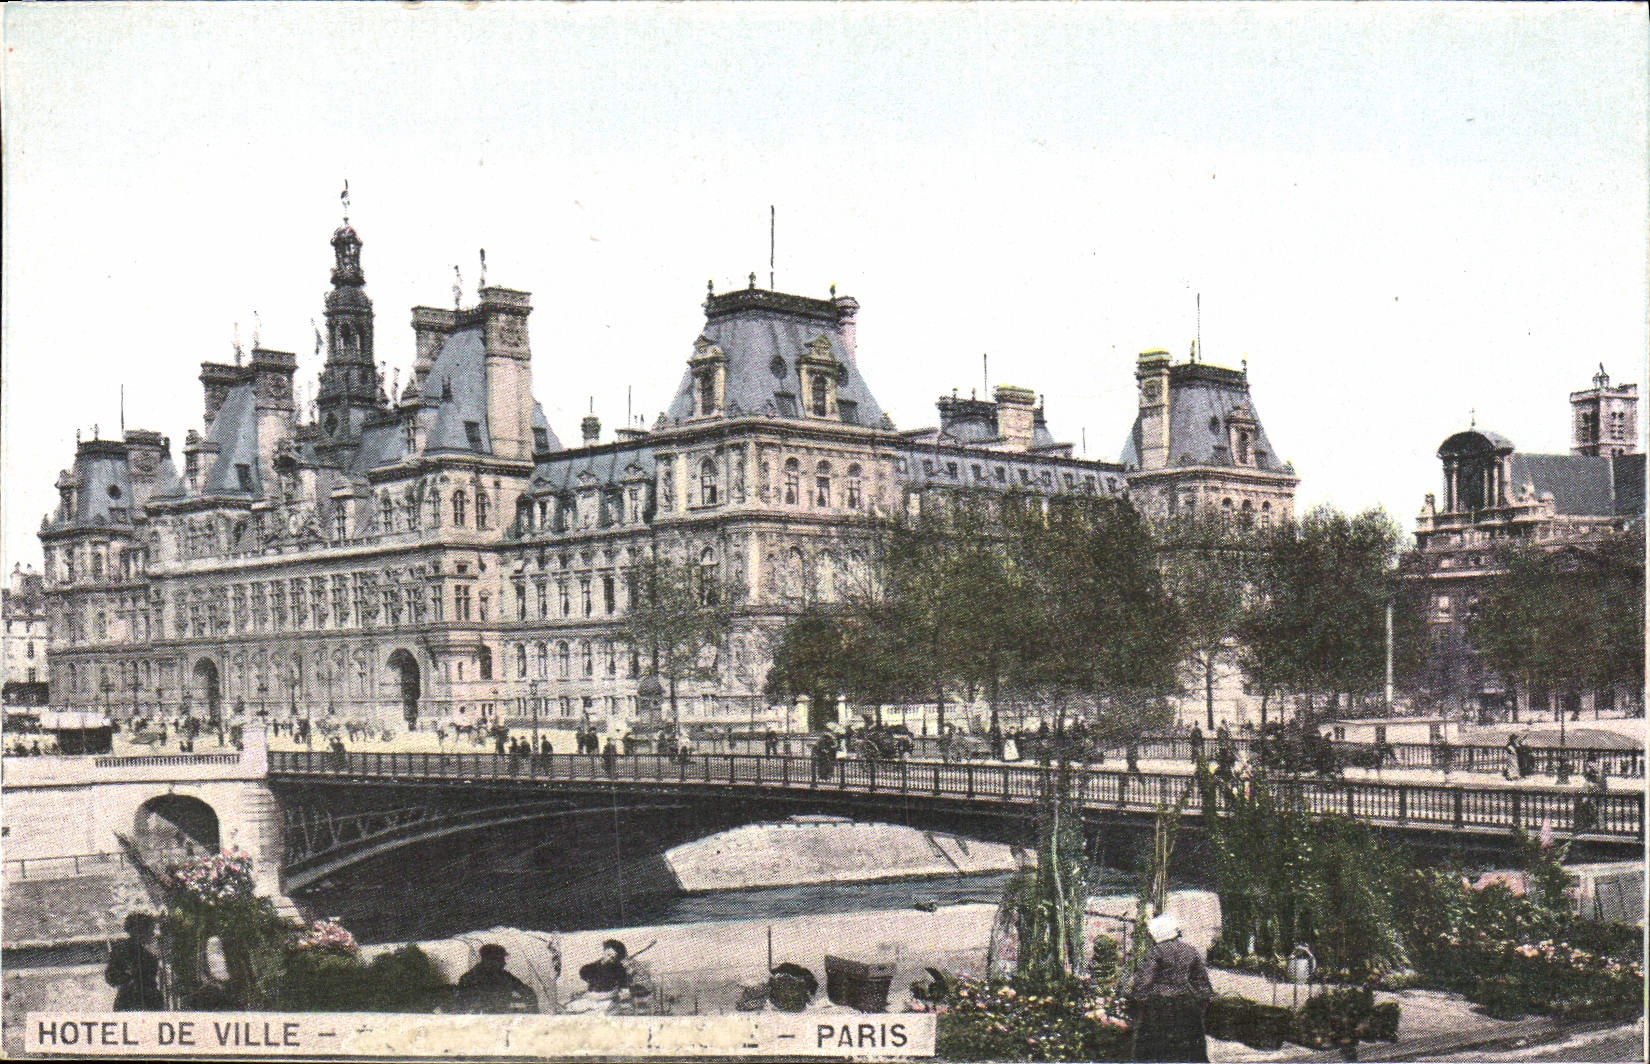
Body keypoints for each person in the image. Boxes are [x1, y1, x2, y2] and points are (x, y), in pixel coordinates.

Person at [1128, 913, 1214, 1063]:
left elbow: (1142, 984)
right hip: (1187, 1006)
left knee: (1157, 1052)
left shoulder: (1155, 952)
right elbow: (1203, 986)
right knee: (1190, 1053)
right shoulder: (1190, 951)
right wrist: (1199, 1006)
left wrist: (1138, 1002)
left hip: (1158, 1007)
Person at [454, 943, 539, 1014]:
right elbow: (462, 1007)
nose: (504, 963)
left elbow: (528, 993)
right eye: (501, 959)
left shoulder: (505, 976)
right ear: (491, 960)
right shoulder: (470, 978)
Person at [106, 912, 165, 1011]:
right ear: (140, 931)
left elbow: (110, 978)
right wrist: (130, 980)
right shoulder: (130, 951)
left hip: (130, 1001)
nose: (153, 934)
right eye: (150, 930)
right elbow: (111, 977)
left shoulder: (120, 949)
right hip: (139, 1002)